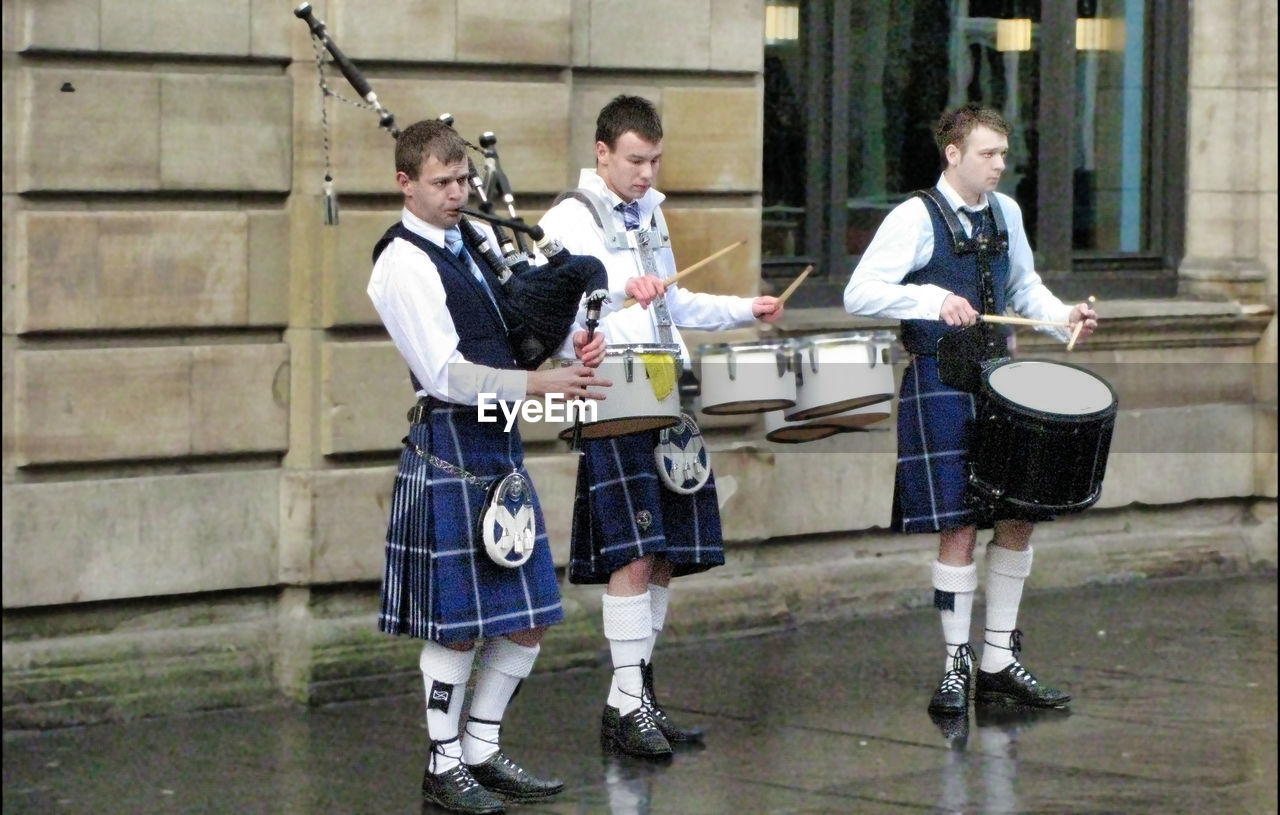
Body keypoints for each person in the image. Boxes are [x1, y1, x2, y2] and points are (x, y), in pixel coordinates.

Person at [367, 119, 609, 815]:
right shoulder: (402, 262)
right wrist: (542, 388)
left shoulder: (470, 242)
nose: (455, 193)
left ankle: (479, 746)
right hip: (450, 442)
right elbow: (445, 372)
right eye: (440, 182)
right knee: (461, 624)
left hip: (498, 443)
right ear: (404, 183)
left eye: (462, 179)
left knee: (528, 614)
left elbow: (512, 335)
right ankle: (442, 764)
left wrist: (567, 352)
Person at [538, 94, 784, 758]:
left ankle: (634, 700)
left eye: (654, 159)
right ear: (602, 153)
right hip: (615, 384)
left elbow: (675, 300)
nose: (647, 173)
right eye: (635, 160)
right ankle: (626, 705)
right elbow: (556, 318)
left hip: (665, 383)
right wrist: (620, 294)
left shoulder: (649, 211)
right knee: (634, 547)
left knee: (669, 547)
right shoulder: (566, 219)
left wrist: (745, 309)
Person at [844, 104, 1098, 717]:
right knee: (958, 523)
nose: (1000, 166)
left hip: (1003, 384)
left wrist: (1062, 314)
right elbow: (860, 292)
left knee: (1018, 514)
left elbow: (1023, 288)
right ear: (953, 154)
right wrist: (931, 298)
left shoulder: (1007, 212)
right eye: (988, 154)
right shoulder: (914, 216)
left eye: (1004, 155)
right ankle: (957, 664)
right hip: (941, 377)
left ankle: (999, 660)